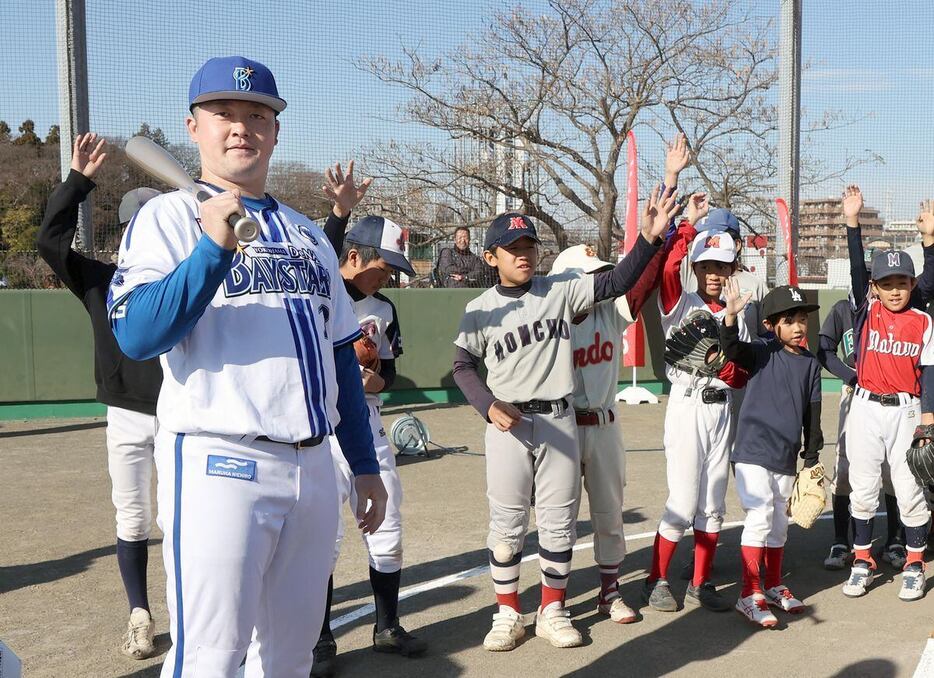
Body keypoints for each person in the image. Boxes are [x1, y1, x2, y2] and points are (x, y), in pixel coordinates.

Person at [107, 56, 387, 676]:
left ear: (276, 130)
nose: (241, 127)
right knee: (211, 659)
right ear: (194, 126)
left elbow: (339, 352)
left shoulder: (308, 234)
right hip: (219, 459)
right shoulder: (169, 218)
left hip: (314, 466)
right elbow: (136, 333)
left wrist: (363, 464)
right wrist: (211, 249)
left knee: (289, 659)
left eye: (257, 114)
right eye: (223, 113)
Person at [451, 192, 677, 652]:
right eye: (513, 248)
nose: (524, 255)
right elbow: (462, 366)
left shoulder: (558, 289)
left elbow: (616, 281)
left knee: (558, 526)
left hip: (559, 419)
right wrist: (486, 404)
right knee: (508, 524)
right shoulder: (479, 308)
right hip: (508, 425)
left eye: (529, 246)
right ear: (491, 256)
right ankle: (508, 613)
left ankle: (552, 609)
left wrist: (649, 239)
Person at [36, 133, 163, 660]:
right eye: (137, 226)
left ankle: (195, 612)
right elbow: (49, 243)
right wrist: (79, 181)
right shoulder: (101, 281)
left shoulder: (190, 280)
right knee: (132, 520)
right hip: (128, 418)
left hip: (185, 416)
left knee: (183, 522)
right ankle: (140, 614)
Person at [312, 212, 427, 676]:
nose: (390, 278)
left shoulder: (384, 310)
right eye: (384, 267)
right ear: (353, 255)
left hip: (370, 423)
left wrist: (376, 379)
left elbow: (391, 375)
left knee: (387, 522)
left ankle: (387, 626)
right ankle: (319, 638)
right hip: (321, 428)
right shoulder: (319, 294)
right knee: (323, 534)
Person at [641, 203, 750, 615]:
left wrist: (731, 363)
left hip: (721, 411)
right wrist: (685, 227)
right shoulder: (680, 302)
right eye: (707, 266)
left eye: (722, 267)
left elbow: (739, 373)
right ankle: (656, 579)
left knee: (714, 504)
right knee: (683, 502)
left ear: (732, 269)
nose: (715, 275)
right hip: (687, 409)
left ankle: (700, 582)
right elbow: (668, 268)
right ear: (697, 268)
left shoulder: (736, 311)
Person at [547, 242, 663, 626]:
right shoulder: (549, 320)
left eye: (600, 276)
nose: (599, 282)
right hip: (561, 426)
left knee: (610, 514)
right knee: (558, 518)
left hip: (605, 423)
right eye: (590, 276)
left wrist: (661, 240)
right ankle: (555, 601)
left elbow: (642, 284)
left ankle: (609, 592)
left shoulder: (609, 312)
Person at [838, 185, 934, 601]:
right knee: (862, 487)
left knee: (910, 488)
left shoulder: (923, 321)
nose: (895, 290)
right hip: (864, 408)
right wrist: (852, 223)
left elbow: (929, 373)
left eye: (902, 282)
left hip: (907, 410)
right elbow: (858, 269)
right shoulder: (868, 309)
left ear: (913, 284)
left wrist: (931, 239)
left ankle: (914, 563)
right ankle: (862, 560)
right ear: (874, 287)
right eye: (886, 283)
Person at [719, 279, 823, 627]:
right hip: (751, 451)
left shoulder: (809, 363)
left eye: (802, 319)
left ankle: (774, 584)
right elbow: (733, 351)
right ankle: (749, 593)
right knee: (761, 514)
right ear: (770, 325)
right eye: (789, 320)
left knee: (779, 521)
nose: (798, 327)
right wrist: (730, 318)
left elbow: (813, 411)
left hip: (785, 455)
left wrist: (811, 455)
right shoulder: (763, 350)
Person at [816, 294, 906, 571]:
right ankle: (842, 540)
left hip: (891, 396)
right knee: (844, 469)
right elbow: (823, 348)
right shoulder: (844, 309)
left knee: (892, 471)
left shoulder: (893, 312)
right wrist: (850, 375)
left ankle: (894, 540)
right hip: (854, 394)